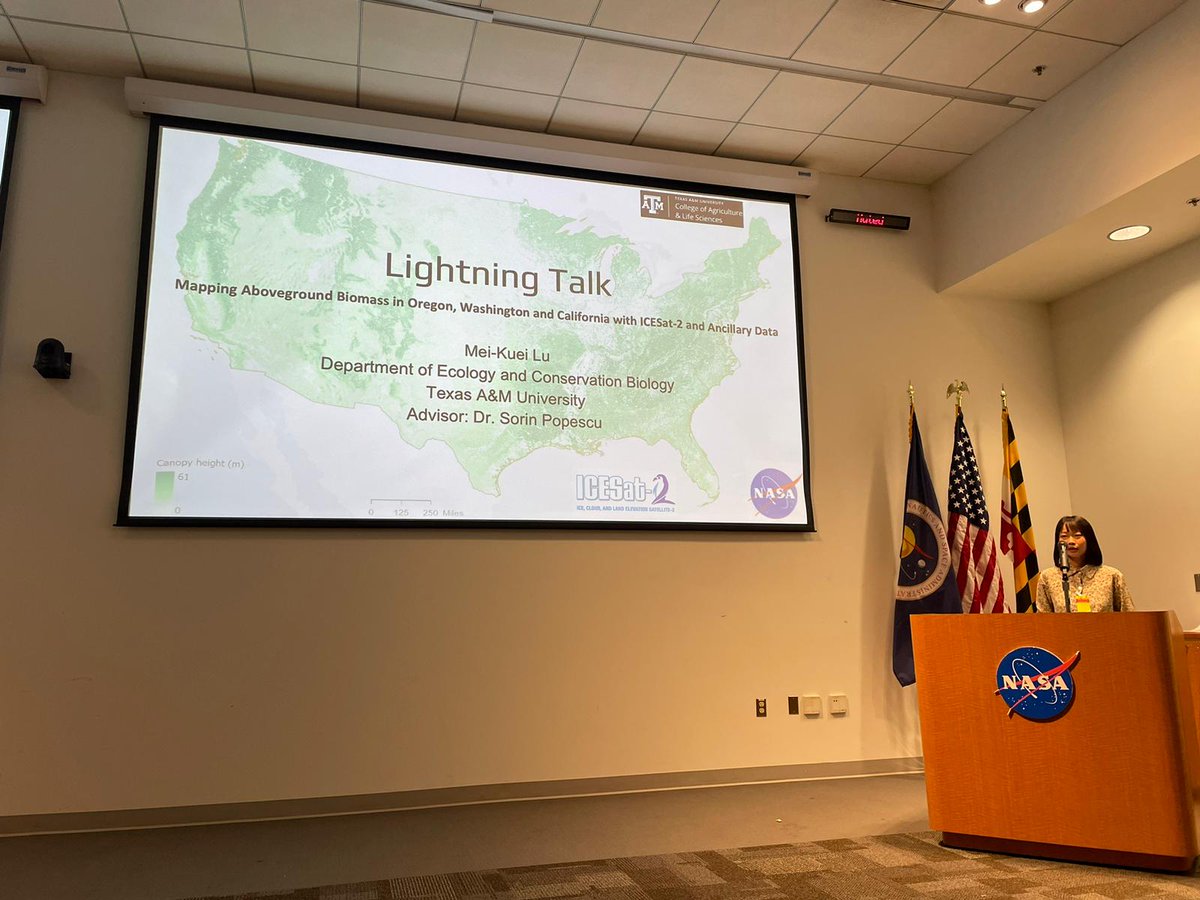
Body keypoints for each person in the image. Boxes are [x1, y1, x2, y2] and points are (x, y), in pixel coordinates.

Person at [1035, 515, 1134, 613]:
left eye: (1077, 536)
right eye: (1064, 536)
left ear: (1089, 539)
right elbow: (1042, 622)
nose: (1071, 541)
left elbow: (1130, 618)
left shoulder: (1111, 576)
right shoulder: (1048, 577)